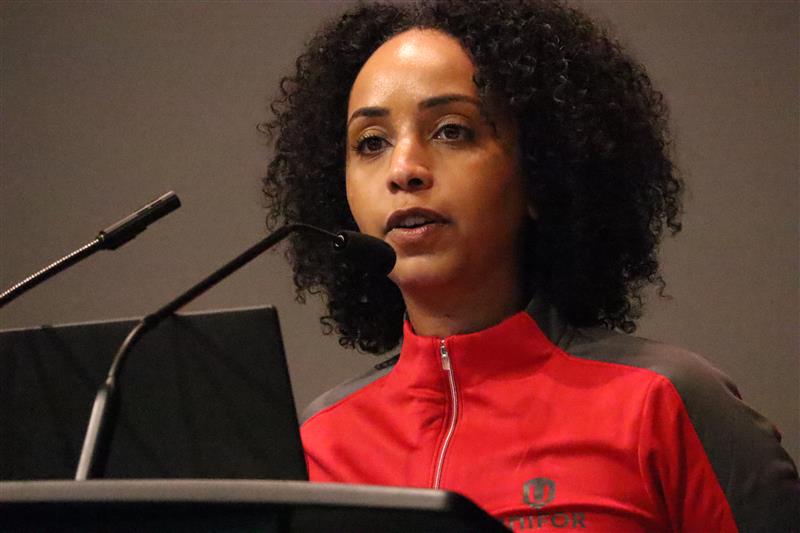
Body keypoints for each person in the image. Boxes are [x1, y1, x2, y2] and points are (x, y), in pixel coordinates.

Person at [260, 1, 799, 530]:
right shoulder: (316, 445)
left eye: (452, 130)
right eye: (371, 142)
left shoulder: (664, 402)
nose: (404, 170)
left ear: (541, 173)